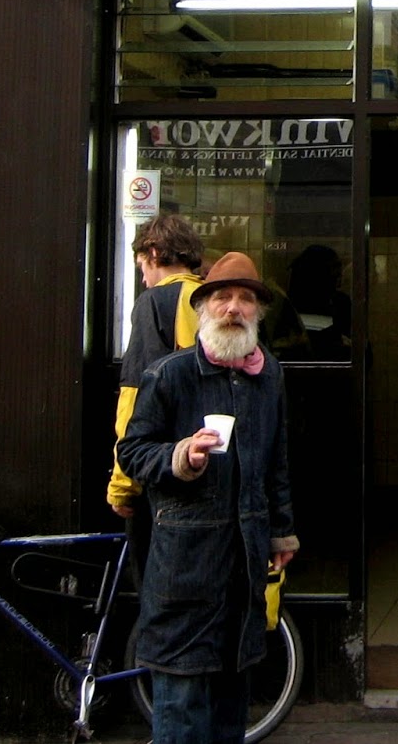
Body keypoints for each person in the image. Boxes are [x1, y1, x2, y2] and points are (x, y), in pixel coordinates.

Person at [118, 250, 298, 744]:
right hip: (185, 563)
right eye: (222, 298)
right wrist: (180, 456)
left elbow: (276, 459)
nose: (233, 308)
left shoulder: (269, 376)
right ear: (203, 308)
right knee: (182, 703)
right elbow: (132, 451)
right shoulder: (169, 374)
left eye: (245, 299)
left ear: (258, 313)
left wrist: (281, 530)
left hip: (244, 562)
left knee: (230, 700)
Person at [108, 212, 203, 573]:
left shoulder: (155, 302)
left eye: (141, 268)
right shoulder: (213, 298)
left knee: (156, 584)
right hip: (213, 461)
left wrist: (123, 484)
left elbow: (135, 396)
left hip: (166, 468)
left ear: (153, 252)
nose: (143, 279)